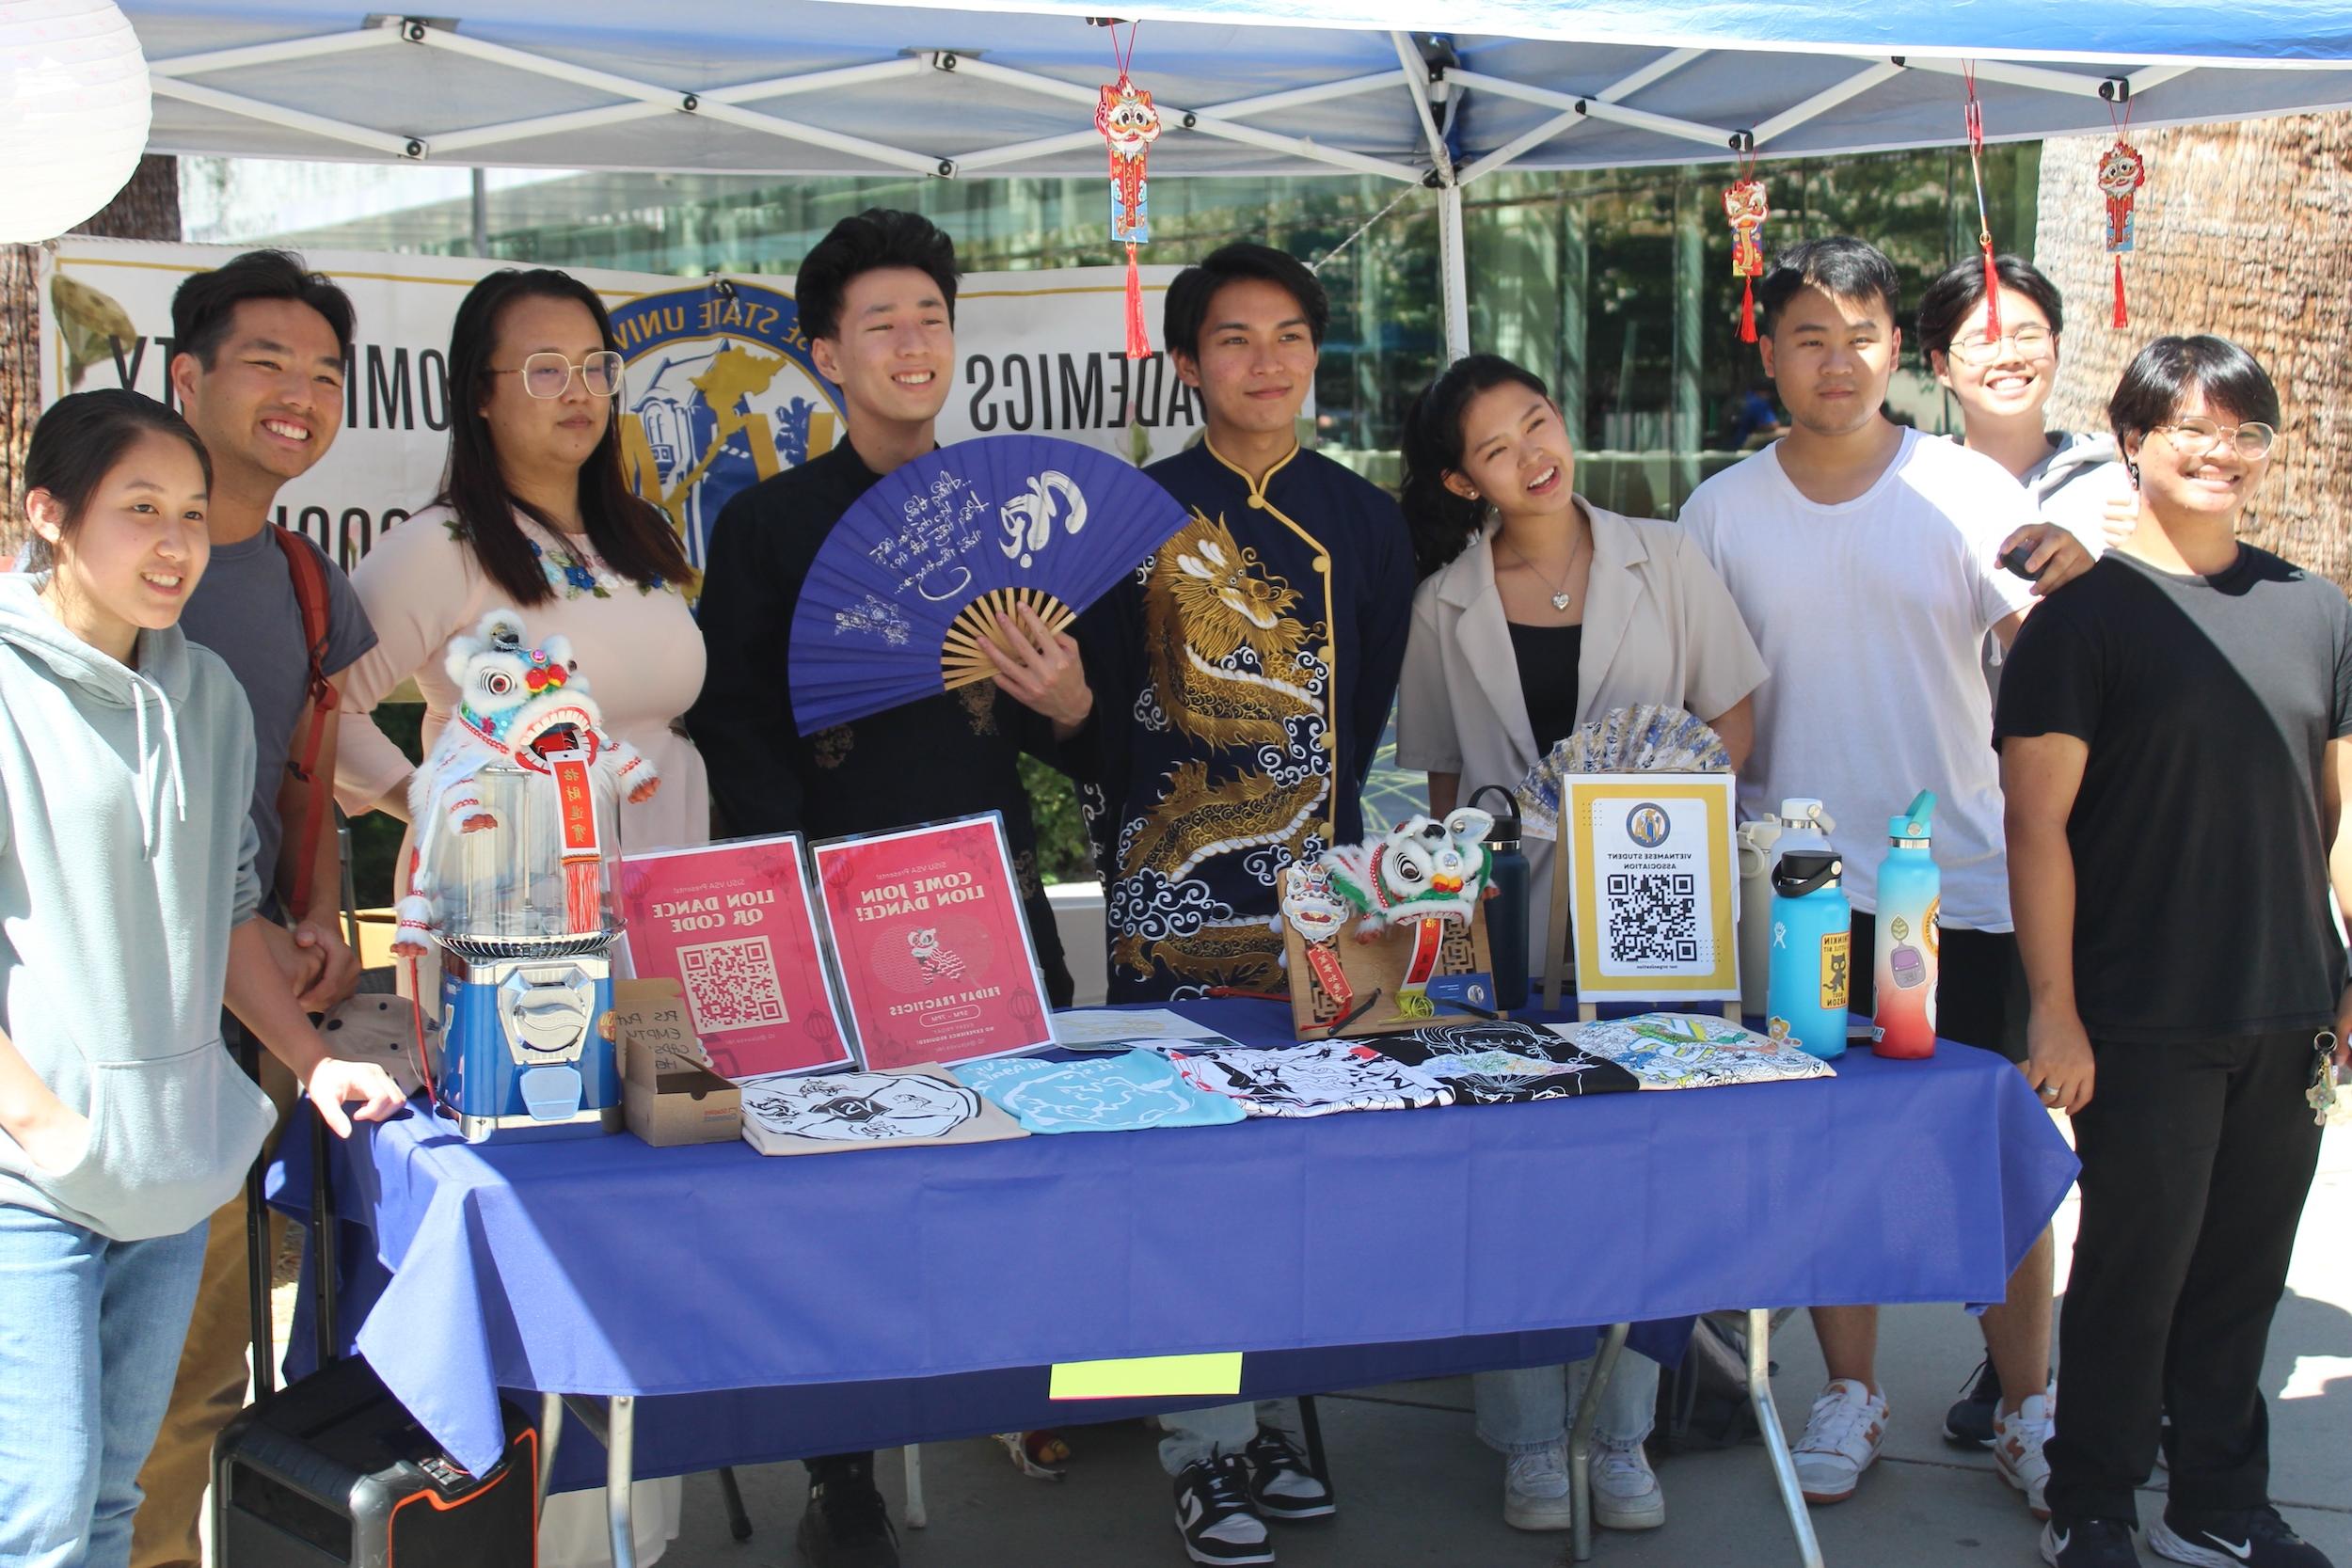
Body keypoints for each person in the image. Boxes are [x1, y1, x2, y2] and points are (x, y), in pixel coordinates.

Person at [687, 208, 1088, 1568]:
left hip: (989, 891)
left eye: (930, 317)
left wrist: (1073, 701)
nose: (913, 345)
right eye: (880, 324)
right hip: (834, 898)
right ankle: (842, 1466)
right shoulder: (767, 523)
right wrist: (803, 885)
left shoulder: (1000, 507)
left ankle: (1019, 1393)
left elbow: (1047, 723)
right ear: (823, 355)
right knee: (843, 1193)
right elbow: (732, 717)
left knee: (1008, 1159)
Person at [1676, 235, 2091, 1512]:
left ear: (1896, 351)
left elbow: (2063, 664)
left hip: (1961, 881)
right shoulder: (1720, 510)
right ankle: (1851, 1387)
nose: (1837, 359)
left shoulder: (1972, 490)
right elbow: (1702, 706)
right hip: (1796, 892)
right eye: (1809, 335)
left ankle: (2031, 1402)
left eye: (1861, 334)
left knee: (1999, 1153)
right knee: (1827, 1154)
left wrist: (2077, 590)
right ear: (1769, 353)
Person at [333, 267, 706, 1567]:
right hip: (529, 953)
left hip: (664, 913)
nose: (577, 391)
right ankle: (528, 1526)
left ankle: (634, 1526)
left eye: (593, 363)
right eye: (540, 368)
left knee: (657, 1215)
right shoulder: (436, 547)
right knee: (557, 1218)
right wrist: (432, 806)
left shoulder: (632, 535)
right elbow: (323, 717)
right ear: (477, 398)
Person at [0, 389, 404, 1568]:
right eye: (138, 511)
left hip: (173, 1169)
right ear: (48, 517)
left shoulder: (208, 694)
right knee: (40, 1510)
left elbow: (229, 912)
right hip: (35, 1175)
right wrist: (40, 1119)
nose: (175, 544)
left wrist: (315, 1060)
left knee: (120, 1502)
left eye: (189, 512)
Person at [1062, 242, 1411, 1566]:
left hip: (1315, 905)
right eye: (1232, 338)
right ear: (1187, 360)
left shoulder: (1363, 518)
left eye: (1287, 335)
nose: (1264, 361)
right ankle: (1196, 1447)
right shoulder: (1133, 515)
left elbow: (1361, 715)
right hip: (1168, 902)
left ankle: (1260, 1416)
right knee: (1177, 1174)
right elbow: (1098, 728)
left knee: (1296, 1175)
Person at [1395, 352, 1767, 1537]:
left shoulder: (1667, 555)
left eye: (1538, 422)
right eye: (1497, 448)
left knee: (1646, 1162)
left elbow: (1733, 710)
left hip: (1659, 896)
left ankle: (1619, 1428)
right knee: (1509, 1171)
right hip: (1511, 911)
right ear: (1463, 480)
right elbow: (1444, 779)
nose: (1532, 455)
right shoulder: (1444, 602)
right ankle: (1524, 1438)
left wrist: (1659, 822)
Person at [2000, 337, 2344, 1568]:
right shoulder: (2081, 622)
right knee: (2135, 1268)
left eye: (2246, 430)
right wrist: (2056, 1010)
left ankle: (2218, 1497)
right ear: (2134, 440)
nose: (2221, 452)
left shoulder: (2314, 606)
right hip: (2139, 1007)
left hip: (2287, 1001)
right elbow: (2035, 827)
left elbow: (2337, 806)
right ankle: (2092, 1498)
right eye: (2192, 428)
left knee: (2243, 1267)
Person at [125, 247, 381, 1568]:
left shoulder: (301, 578)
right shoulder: (105, 584)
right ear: (186, 375)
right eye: (267, 362)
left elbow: (310, 763)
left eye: (326, 372)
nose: (301, 393)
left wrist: (326, 908)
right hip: (126, 1025)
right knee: (160, 1376)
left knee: (221, 1353)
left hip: (258, 1011)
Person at [1917, 252, 2140, 711]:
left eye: (2028, 335)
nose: (2009, 357)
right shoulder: (1914, 491)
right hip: (1946, 775)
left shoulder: (2121, 492)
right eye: (1981, 341)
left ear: (2056, 346)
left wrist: (2151, 557)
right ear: (1941, 366)